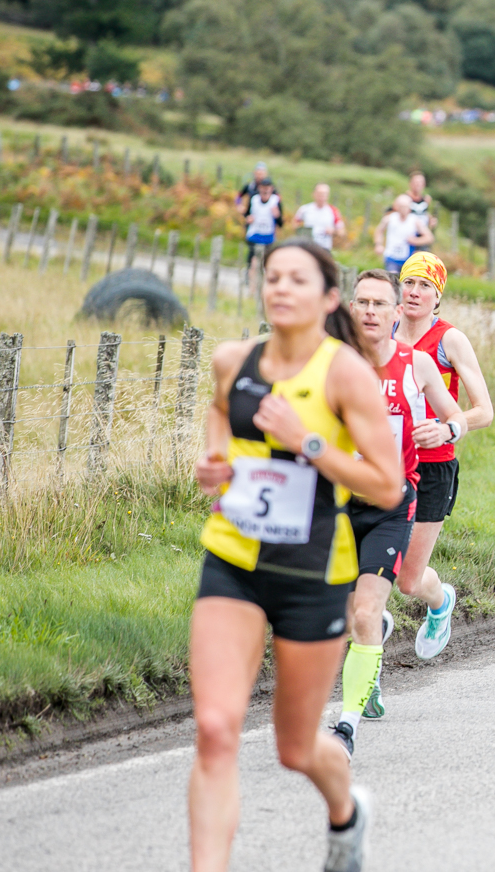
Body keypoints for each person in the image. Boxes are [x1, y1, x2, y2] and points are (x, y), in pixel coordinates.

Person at [189, 239, 404, 872]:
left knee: (295, 748)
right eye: (273, 277)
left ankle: (346, 812)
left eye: (297, 279)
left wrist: (306, 440)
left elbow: (387, 485)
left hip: (312, 571)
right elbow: (221, 411)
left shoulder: (345, 374)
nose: (281, 288)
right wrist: (214, 459)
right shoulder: (234, 360)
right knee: (216, 730)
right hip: (233, 559)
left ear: (328, 298)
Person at [329, 269, 467, 755]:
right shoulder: (332, 362)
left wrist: (446, 431)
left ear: (394, 313)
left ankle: (346, 727)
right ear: (351, 309)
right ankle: (368, 658)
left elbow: (456, 416)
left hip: (391, 506)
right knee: (351, 615)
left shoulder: (417, 364)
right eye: (362, 303)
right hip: (337, 504)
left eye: (379, 304)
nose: (370, 311)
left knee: (369, 608)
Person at [392, 253, 495, 661]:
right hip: (385, 463)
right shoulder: (382, 331)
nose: (415, 292)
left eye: (426, 286)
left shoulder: (449, 340)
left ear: (438, 297)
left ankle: (440, 602)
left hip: (432, 466)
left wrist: (448, 428)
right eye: (409, 283)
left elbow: (484, 411)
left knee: (408, 580)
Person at [239, 177, 282, 295]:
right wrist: (247, 218)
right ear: (259, 188)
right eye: (263, 188)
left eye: (268, 188)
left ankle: (264, 289)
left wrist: (277, 215)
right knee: (253, 262)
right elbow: (246, 214)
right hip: (254, 235)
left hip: (268, 237)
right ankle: (251, 288)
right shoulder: (254, 199)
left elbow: (280, 222)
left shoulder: (275, 201)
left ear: (271, 189)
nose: (265, 191)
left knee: (266, 264)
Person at [374, 194, 433, 274]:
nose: (403, 209)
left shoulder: (415, 220)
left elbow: (429, 237)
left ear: (409, 208)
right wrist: (378, 244)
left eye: (405, 207)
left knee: (405, 279)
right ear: (397, 207)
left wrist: (416, 241)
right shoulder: (389, 218)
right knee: (393, 277)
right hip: (391, 256)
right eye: (401, 206)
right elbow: (379, 231)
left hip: (408, 258)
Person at [293, 183, 345, 252]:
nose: (321, 197)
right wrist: (301, 232)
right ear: (314, 194)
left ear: (328, 195)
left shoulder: (333, 211)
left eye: (324, 194)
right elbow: (295, 223)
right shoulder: (304, 209)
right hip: (308, 248)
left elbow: (342, 231)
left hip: (324, 248)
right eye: (319, 194)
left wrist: (333, 231)